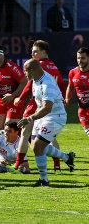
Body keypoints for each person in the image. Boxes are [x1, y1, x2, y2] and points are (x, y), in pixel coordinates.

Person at [17, 59, 75, 187]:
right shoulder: (36, 79)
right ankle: (66, 157)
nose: (24, 73)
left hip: (55, 117)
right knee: (36, 146)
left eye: (26, 71)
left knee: (38, 145)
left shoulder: (47, 84)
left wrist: (30, 118)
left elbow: (47, 107)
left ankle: (44, 180)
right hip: (43, 116)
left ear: (32, 70)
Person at [13, 40, 66, 174]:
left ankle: (19, 162)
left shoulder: (38, 66)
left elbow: (29, 85)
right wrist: (63, 98)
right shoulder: (53, 65)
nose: (32, 54)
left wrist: (21, 98)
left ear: (44, 52)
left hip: (39, 104)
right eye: (32, 52)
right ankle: (57, 165)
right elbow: (60, 82)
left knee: (25, 133)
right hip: (51, 103)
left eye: (35, 51)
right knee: (49, 138)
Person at [0, 44, 27, 133]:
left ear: (3, 55)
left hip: (14, 100)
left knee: (10, 128)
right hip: (0, 100)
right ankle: (5, 146)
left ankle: (26, 137)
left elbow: (24, 82)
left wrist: (13, 95)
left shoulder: (12, 68)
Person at [65, 47, 89, 139]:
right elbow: (70, 88)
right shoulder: (73, 72)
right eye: (78, 58)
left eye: (83, 58)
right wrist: (67, 99)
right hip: (83, 111)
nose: (80, 60)